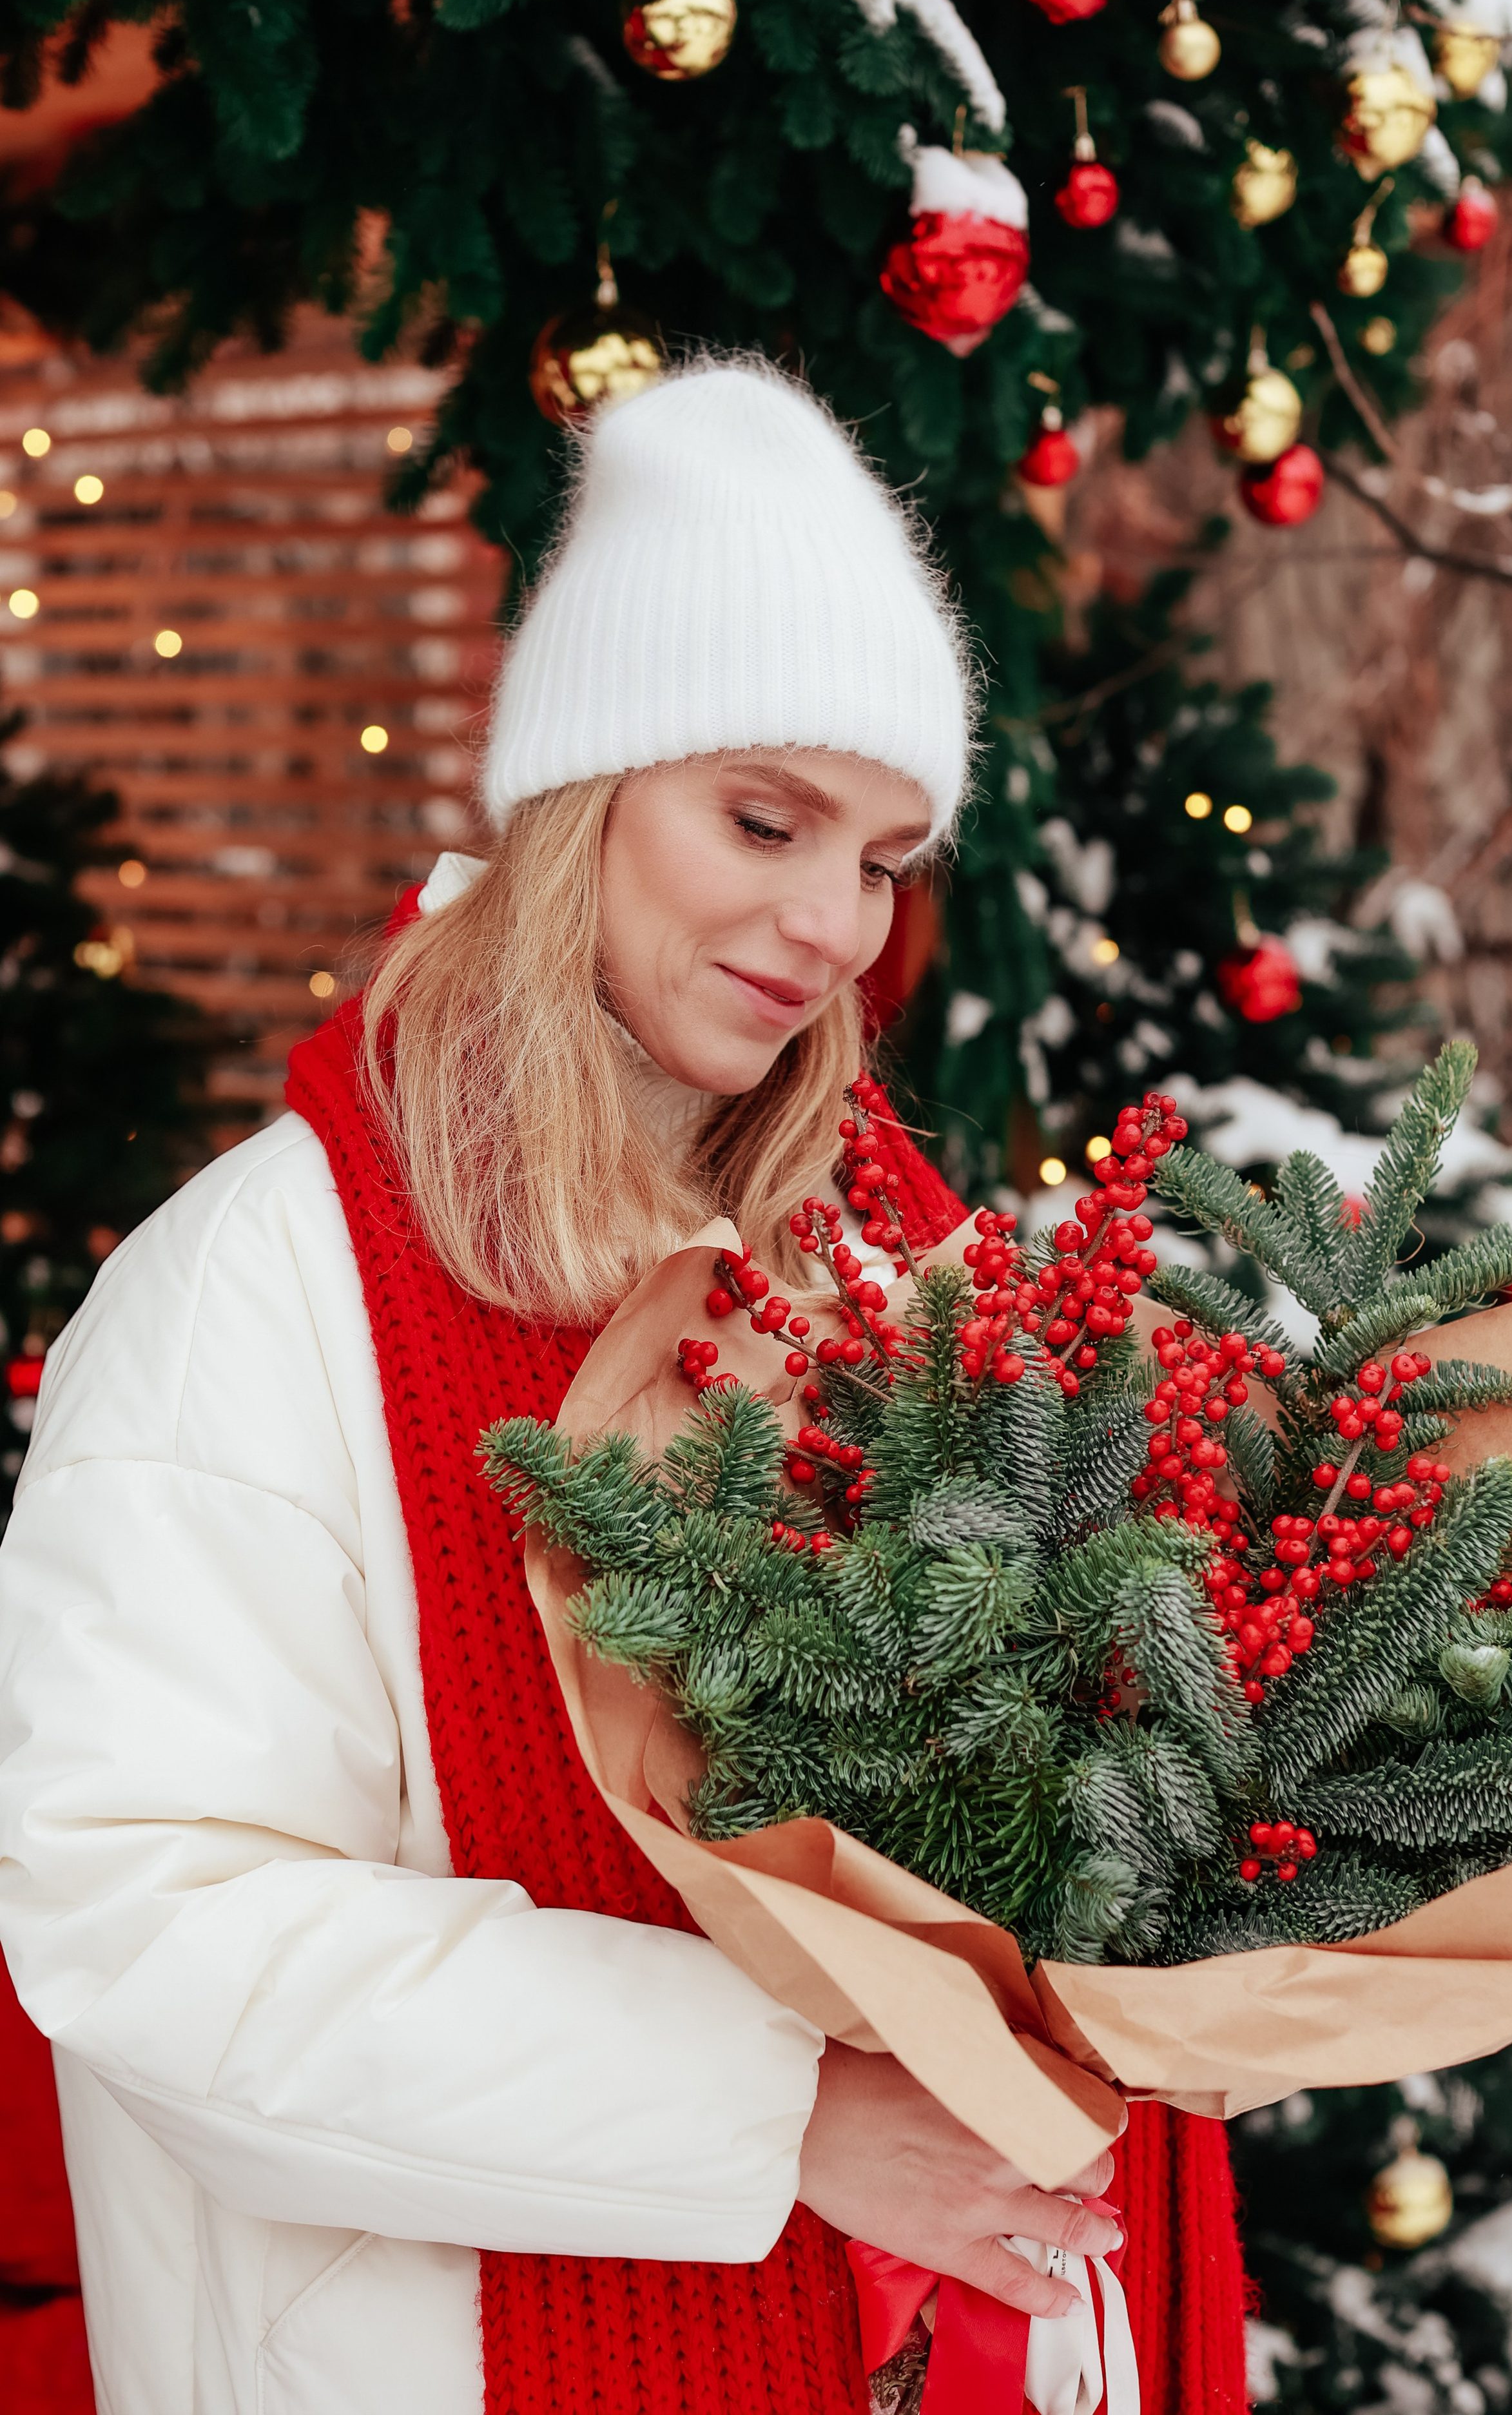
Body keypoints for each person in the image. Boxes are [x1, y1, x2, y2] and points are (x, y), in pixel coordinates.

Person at [0, 360, 1246, 2415]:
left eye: (882, 856)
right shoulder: (256, 1292)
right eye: (764, 819)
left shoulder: (893, 1268)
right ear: (580, 799)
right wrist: (781, 2112)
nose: (832, 925)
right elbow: (157, 1930)